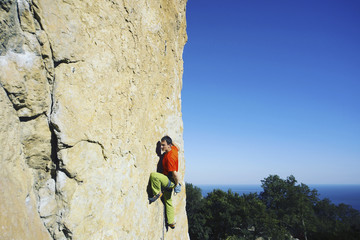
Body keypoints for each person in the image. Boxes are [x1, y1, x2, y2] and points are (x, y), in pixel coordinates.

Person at [149, 136, 182, 229]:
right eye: (161, 145)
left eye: (163, 145)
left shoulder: (170, 157)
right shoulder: (174, 149)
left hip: (170, 180)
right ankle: (171, 222)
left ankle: (157, 193)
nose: (161, 147)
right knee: (168, 201)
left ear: (169, 145)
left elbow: (175, 174)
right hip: (169, 180)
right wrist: (170, 138)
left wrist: (177, 184)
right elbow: (178, 148)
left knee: (154, 176)